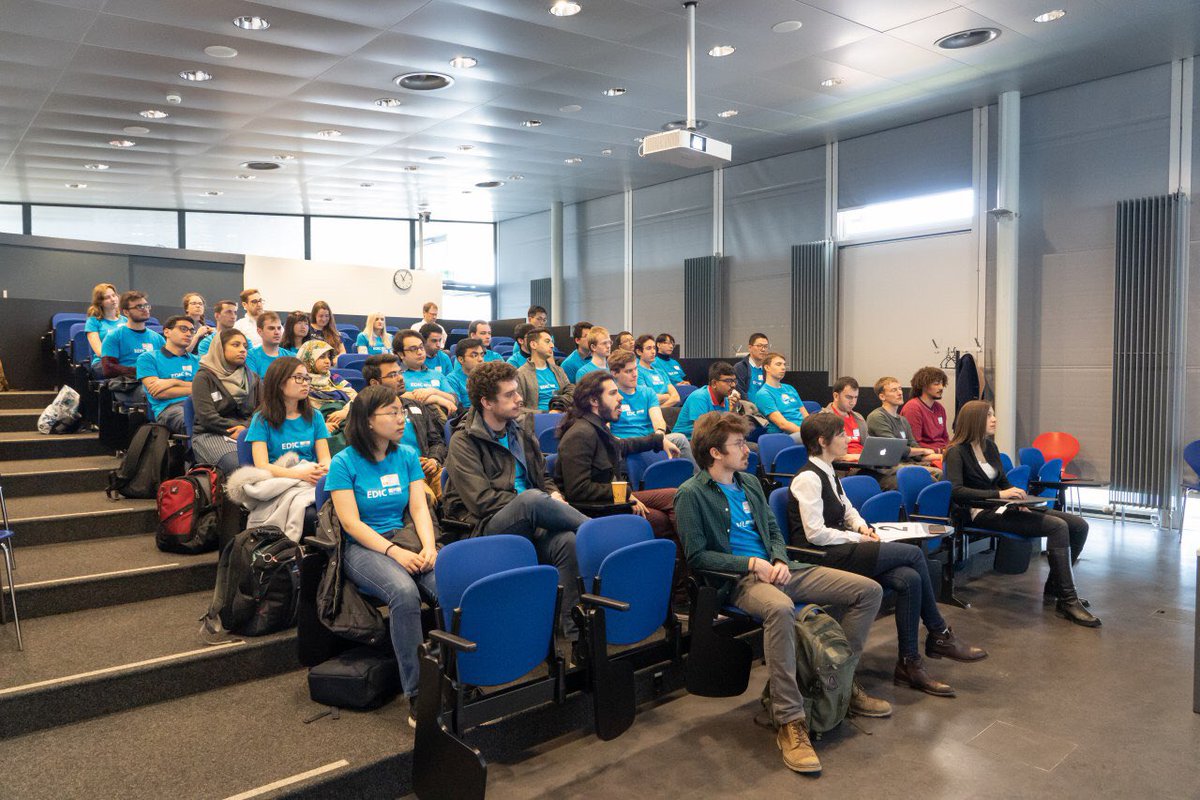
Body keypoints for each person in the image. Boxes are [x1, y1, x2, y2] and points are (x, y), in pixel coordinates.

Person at [674, 411, 890, 774]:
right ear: (715, 453)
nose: (747, 449)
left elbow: (774, 530)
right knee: (780, 609)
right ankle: (790, 720)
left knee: (868, 591)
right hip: (739, 581)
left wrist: (775, 556)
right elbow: (697, 556)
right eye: (739, 444)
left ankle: (839, 686)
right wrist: (751, 565)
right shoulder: (691, 495)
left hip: (781, 569)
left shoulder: (750, 483)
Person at [790, 412, 987, 699]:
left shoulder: (828, 470)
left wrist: (861, 525)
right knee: (914, 555)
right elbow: (815, 534)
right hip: (822, 555)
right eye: (841, 435)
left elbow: (846, 509)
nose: (848, 439)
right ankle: (940, 634)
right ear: (822, 441)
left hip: (844, 547)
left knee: (908, 578)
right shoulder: (808, 477)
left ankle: (910, 663)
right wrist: (857, 536)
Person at [443, 361, 586, 636]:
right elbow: (481, 501)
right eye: (509, 394)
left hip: (532, 517)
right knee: (531, 499)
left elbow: (541, 476)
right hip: (485, 526)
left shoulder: (519, 430)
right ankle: (593, 529)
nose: (519, 398)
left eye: (517, 391)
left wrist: (553, 494)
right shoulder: (464, 441)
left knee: (567, 542)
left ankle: (571, 634)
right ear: (486, 402)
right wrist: (534, 503)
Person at [328, 384, 438, 725]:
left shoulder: (405, 454)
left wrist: (430, 546)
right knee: (403, 594)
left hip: (406, 538)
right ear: (367, 421)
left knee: (449, 586)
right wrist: (395, 553)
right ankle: (419, 693)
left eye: (401, 411)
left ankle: (454, 674)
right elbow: (350, 524)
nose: (401, 418)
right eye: (392, 413)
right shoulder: (343, 462)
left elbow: (419, 508)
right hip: (364, 547)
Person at [945, 401, 1100, 627]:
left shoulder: (990, 447)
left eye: (993, 415)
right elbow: (956, 491)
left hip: (1003, 507)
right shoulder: (956, 452)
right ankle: (1067, 600)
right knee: (1057, 526)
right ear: (974, 420)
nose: (994, 419)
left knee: (1079, 525)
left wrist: (1020, 499)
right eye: (989, 415)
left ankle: (1055, 588)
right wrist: (1000, 494)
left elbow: (1003, 482)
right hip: (979, 512)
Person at [555, 371, 686, 596]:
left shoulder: (597, 427)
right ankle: (679, 590)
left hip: (614, 498)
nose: (621, 399)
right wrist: (624, 494)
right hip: (598, 508)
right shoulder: (581, 434)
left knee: (677, 496)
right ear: (594, 401)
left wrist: (658, 440)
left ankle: (684, 580)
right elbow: (578, 490)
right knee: (659, 519)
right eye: (613, 393)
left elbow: (622, 446)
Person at [362, 355, 447, 499]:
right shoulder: (365, 412)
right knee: (425, 497)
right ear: (375, 383)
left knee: (457, 487)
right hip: (396, 474)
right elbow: (365, 452)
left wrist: (433, 460)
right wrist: (410, 464)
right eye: (392, 375)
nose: (400, 378)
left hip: (428, 468)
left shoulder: (415, 406)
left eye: (400, 372)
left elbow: (436, 441)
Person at [246, 355, 331, 482]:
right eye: (298, 378)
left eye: (306, 378)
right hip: (278, 479)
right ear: (279, 382)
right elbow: (262, 465)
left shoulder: (315, 416)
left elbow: (325, 458)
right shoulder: (261, 419)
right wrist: (300, 475)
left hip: (311, 477)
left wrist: (322, 470)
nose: (305, 383)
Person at [191, 328, 260, 475]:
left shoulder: (252, 377)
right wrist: (240, 428)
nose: (242, 350)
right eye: (235, 345)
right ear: (220, 348)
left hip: (248, 432)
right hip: (211, 433)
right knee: (239, 466)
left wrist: (245, 429)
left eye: (245, 346)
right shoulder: (204, 377)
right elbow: (207, 418)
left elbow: (261, 411)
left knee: (271, 461)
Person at [607, 349, 693, 462]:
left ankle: (697, 479)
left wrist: (659, 437)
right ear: (614, 373)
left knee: (680, 439)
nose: (635, 374)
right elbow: (606, 431)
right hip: (625, 444)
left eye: (635, 369)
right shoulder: (609, 396)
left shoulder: (648, 392)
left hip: (650, 442)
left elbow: (658, 421)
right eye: (628, 371)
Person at [866, 376, 942, 476]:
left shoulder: (903, 420)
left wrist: (939, 456)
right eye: (894, 390)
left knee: (945, 469)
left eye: (900, 389)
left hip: (906, 463)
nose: (900, 393)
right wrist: (923, 450)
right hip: (887, 468)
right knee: (937, 474)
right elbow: (895, 448)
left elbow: (913, 445)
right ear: (882, 397)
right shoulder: (877, 417)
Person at [136, 315, 198, 434]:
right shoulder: (148, 358)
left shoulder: (199, 360)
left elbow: (209, 389)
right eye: (183, 329)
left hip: (200, 404)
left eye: (192, 330)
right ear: (167, 332)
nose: (189, 334)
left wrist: (174, 382)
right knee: (196, 422)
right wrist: (196, 388)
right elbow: (159, 392)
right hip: (170, 408)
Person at [100, 291, 165, 401]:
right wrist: (142, 371)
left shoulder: (157, 338)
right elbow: (108, 368)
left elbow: (167, 363)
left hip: (155, 381)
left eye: (146, 305)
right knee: (156, 392)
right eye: (139, 306)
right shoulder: (114, 336)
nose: (145, 309)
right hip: (130, 385)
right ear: (126, 312)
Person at [295, 340, 354, 435]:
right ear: (309, 359)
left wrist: (346, 411)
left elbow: (358, 398)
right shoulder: (298, 382)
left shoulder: (335, 379)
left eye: (328, 357)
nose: (327, 361)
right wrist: (320, 426)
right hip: (314, 427)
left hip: (346, 419)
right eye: (322, 357)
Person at [392, 330, 458, 416]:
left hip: (442, 420)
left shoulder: (436, 374)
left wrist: (433, 391)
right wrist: (436, 399)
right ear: (401, 354)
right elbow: (396, 399)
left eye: (421, 347)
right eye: (413, 349)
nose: (420, 352)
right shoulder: (397, 376)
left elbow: (454, 400)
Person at [671, 361, 740, 439]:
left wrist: (734, 408)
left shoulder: (726, 399)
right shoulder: (699, 397)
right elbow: (701, 432)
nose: (733, 385)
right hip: (686, 442)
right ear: (714, 383)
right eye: (728, 381)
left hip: (710, 439)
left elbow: (727, 428)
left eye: (734, 381)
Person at [753, 352, 808, 443]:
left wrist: (814, 430)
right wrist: (809, 434)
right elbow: (783, 424)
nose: (783, 368)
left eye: (784, 365)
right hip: (784, 436)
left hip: (803, 432)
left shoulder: (790, 388)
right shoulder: (763, 394)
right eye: (778, 364)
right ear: (767, 368)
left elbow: (806, 416)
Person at [516, 327, 570, 412]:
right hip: (537, 420)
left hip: (562, 415)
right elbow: (518, 408)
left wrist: (559, 407)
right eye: (547, 341)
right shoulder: (520, 374)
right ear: (533, 345)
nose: (552, 346)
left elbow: (570, 391)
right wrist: (545, 414)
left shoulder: (559, 370)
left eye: (552, 342)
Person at [901, 366, 950, 455]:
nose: (941, 387)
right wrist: (939, 451)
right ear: (924, 385)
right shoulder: (913, 408)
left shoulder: (940, 408)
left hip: (942, 453)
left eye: (942, 383)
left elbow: (945, 438)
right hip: (925, 455)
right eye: (936, 384)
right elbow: (915, 443)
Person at [84, 283, 126, 378]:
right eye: (107, 297)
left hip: (125, 360)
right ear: (100, 302)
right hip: (103, 363)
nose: (113, 299)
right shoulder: (93, 321)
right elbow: (99, 351)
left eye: (114, 295)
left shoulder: (126, 320)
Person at [635, 335, 680, 408]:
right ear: (639, 352)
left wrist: (657, 410)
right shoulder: (636, 372)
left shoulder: (661, 372)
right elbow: (646, 399)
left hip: (662, 411)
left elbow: (676, 398)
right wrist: (667, 396)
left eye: (654, 348)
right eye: (649, 348)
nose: (653, 352)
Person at [245, 312, 294, 378]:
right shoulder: (250, 356)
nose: (277, 332)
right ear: (260, 331)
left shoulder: (292, 357)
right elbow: (254, 385)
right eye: (271, 328)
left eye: (279, 328)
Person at [444, 338, 484, 410]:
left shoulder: (487, 376)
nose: (480, 359)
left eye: (482, 355)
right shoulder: (452, 379)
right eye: (474, 355)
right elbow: (458, 408)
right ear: (461, 359)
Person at [735, 332, 771, 398]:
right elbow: (739, 392)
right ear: (750, 347)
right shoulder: (740, 367)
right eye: (759, 346)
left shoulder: (769, 369)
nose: (763, 349)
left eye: (765, 346)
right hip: (747, 406)